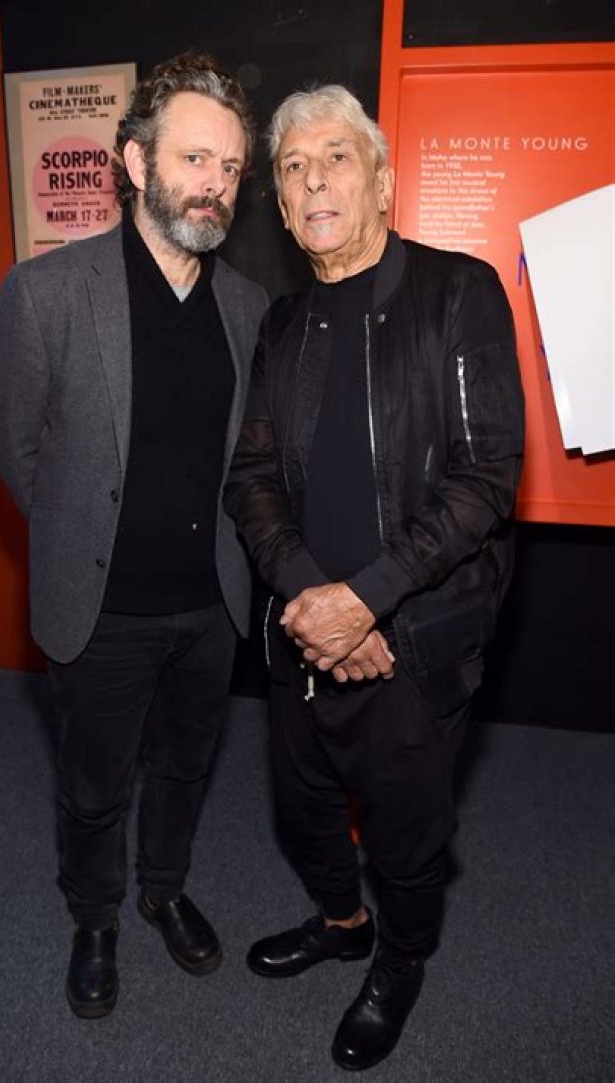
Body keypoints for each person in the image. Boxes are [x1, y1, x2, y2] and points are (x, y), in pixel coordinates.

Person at [224, 85, 524, 1071]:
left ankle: (400, 960)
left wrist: (365, 603)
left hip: (414, 638)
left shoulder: (459, 292)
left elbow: (486, 480)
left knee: (407, 830)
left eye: (336, 157)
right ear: (281, 204)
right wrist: (313, 599)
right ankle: (343, 923)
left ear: (383, 181)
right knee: (304, 804)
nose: (314, 180)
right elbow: (251, 477)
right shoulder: (281, 324)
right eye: (293, 167)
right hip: (302, 630)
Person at [0, 53, 268, 1019]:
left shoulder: (248, 307)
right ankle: (95, 918)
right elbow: (13, 444)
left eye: (229, 167)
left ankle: (163, 889)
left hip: (213, 605)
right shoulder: (45, 293)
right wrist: (81, 529)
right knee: (94, 784)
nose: (214, 183)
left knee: (186, 767)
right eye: (194, 159)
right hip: (100, 609)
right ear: (135, 162)